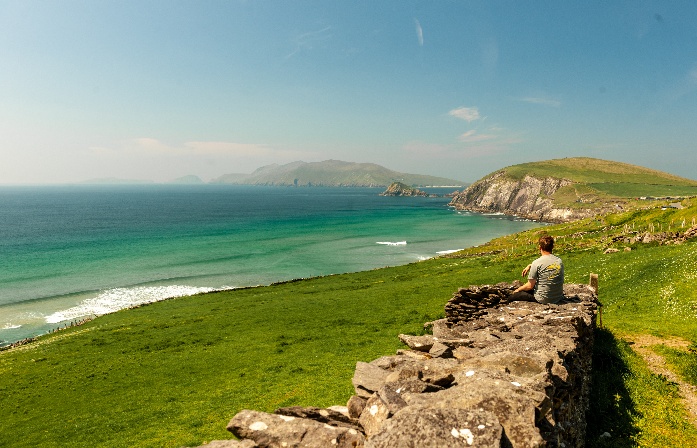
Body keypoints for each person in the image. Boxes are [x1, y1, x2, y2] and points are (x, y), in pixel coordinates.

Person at [509, 235, 564, 304]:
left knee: (513, 296)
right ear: (552, 247)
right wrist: (530, 265)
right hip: (557, 297)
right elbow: (547, 265)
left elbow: (530, 286)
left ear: (539, 247)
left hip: (543, 299)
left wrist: (517, 290)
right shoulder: (559, 261)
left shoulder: (537, 262)